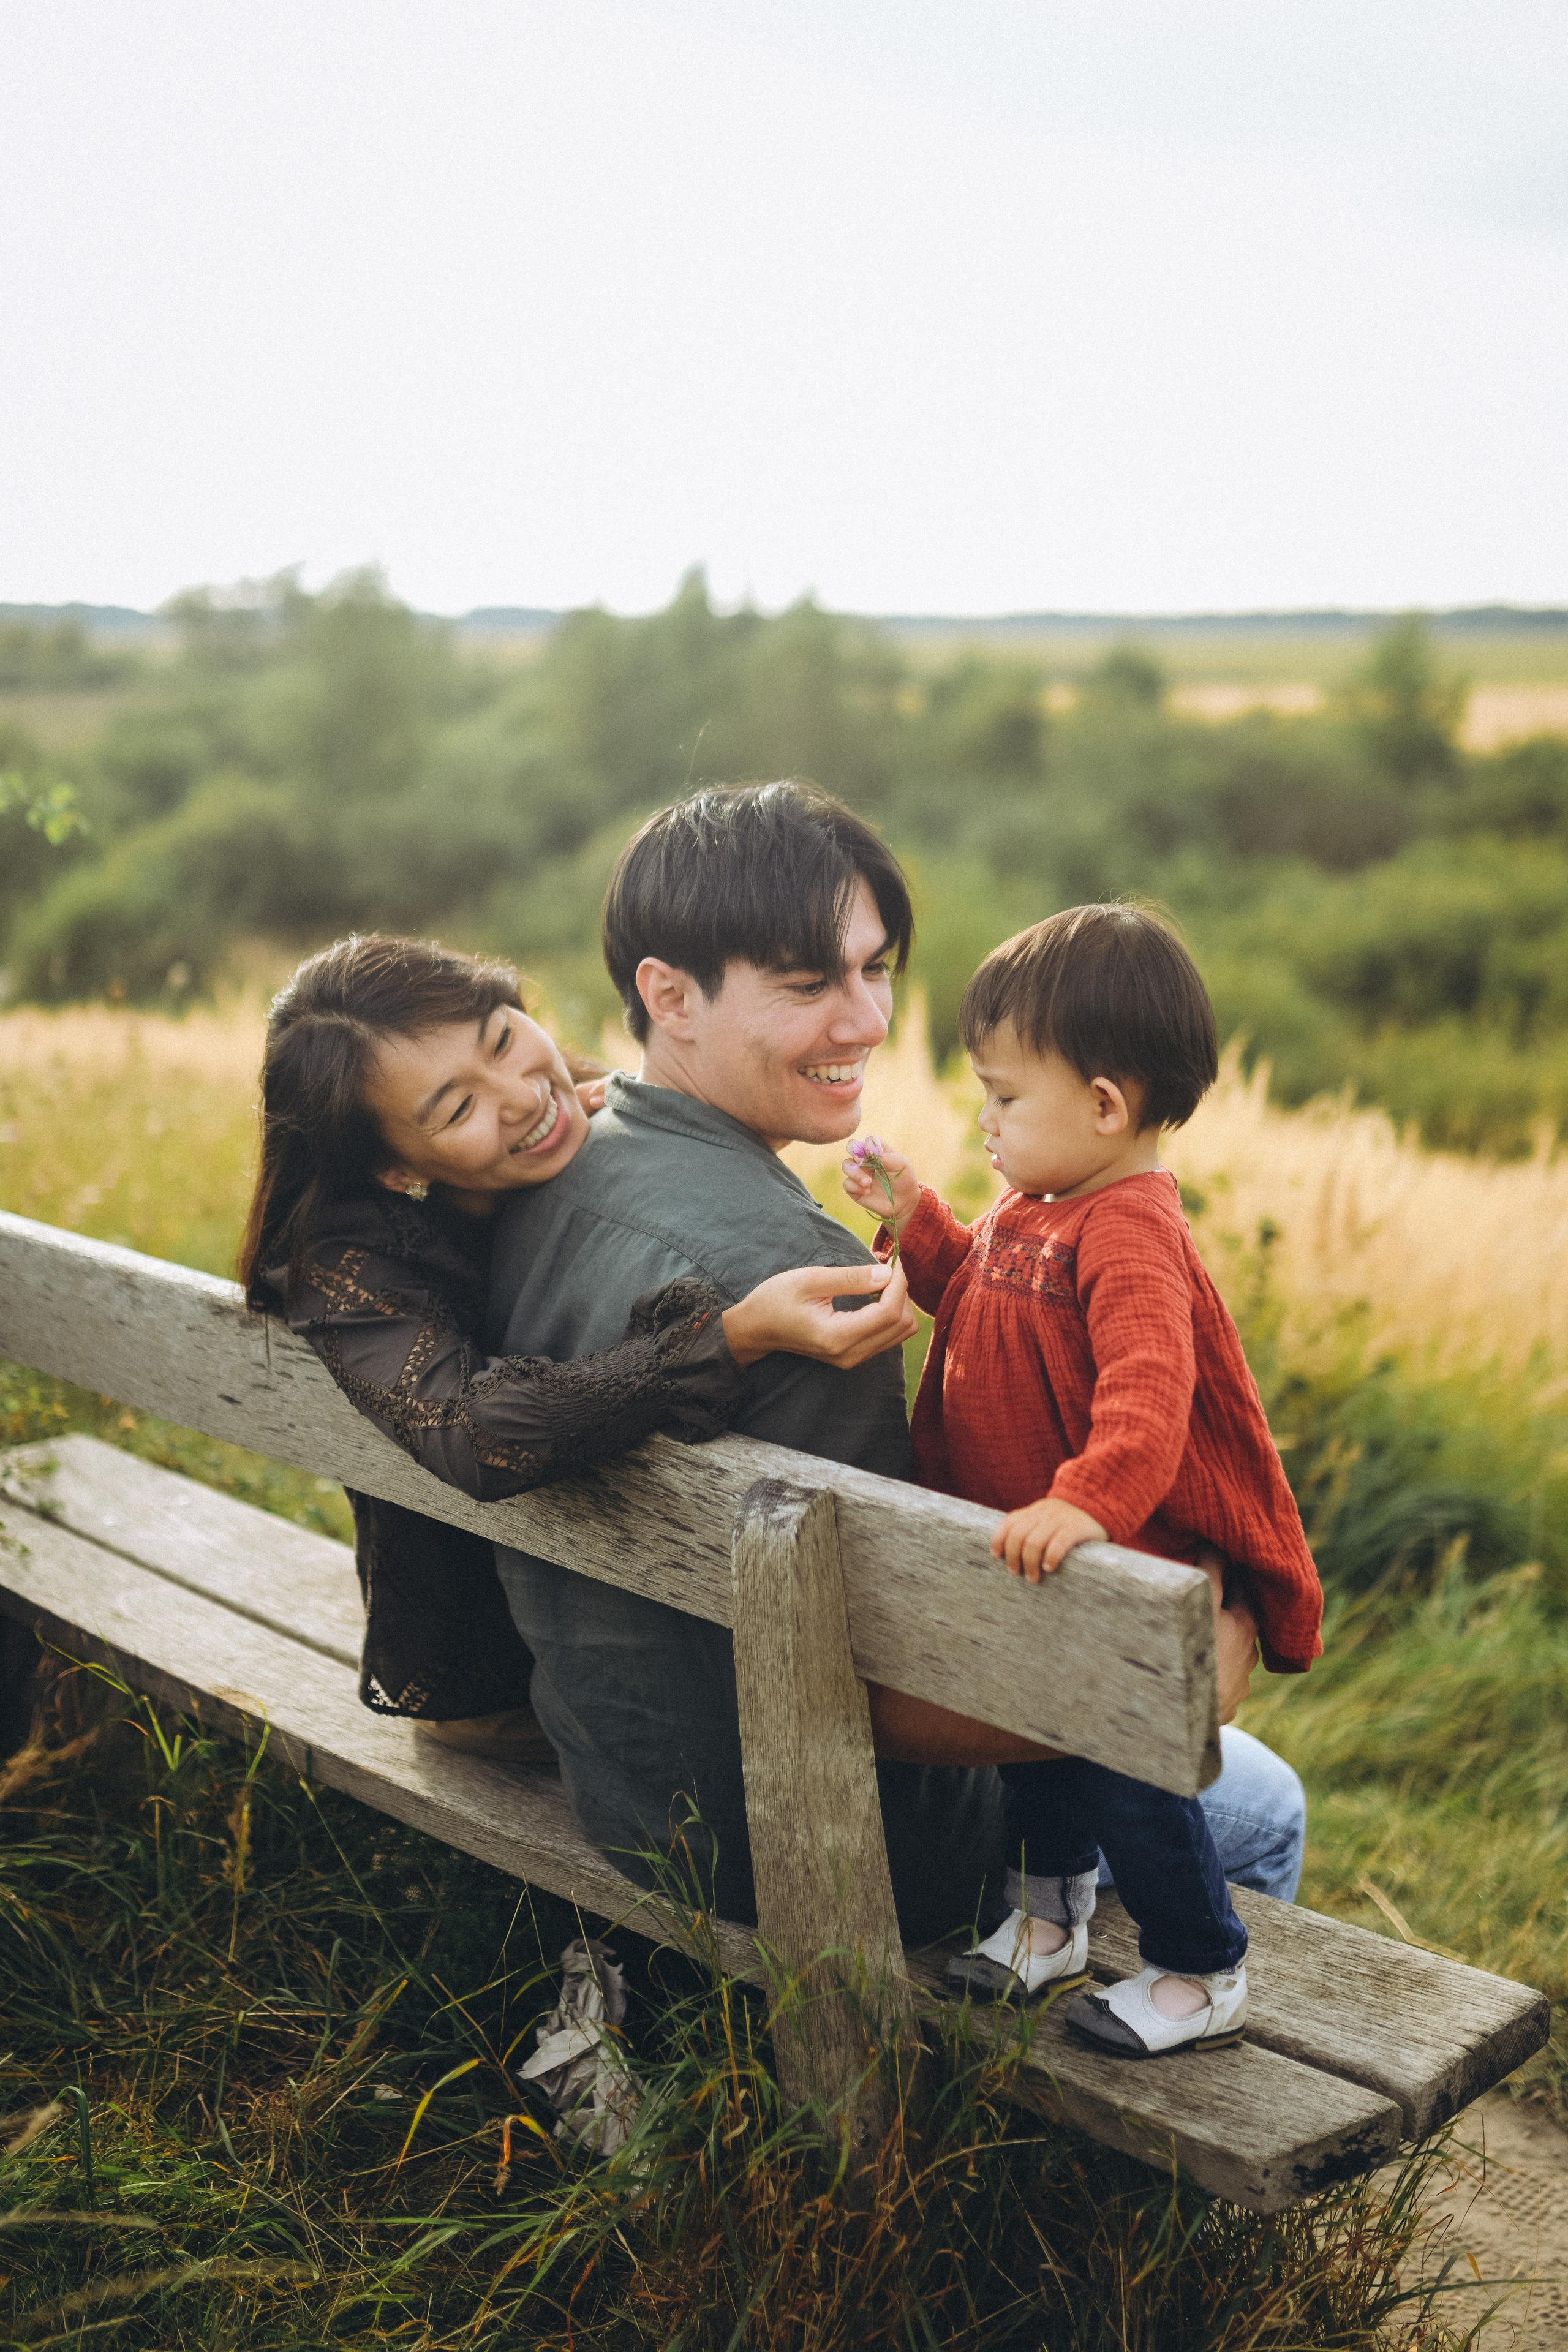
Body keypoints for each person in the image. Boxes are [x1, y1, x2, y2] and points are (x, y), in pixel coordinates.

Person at [485, 782, 1300, 1947]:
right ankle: (1137, 2100)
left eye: (874, 970)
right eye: (810, 982)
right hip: (821, 1838)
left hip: (623, 1780)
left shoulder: (542, 1166)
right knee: (1260, 1797)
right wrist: (1158, 1677)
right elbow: (886, 1674)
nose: (866, 1020)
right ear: (667, 995)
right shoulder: (803, 1284)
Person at [238, 933, 916, 1759]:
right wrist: (730, 1336)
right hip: (495, 1676)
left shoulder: (577, 1104)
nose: (521, 1096)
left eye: (502, 1038)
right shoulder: (349, 1266)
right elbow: (472, 1430)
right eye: (458, 1109)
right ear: (394, 1170)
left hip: (600, 1623)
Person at [842, 903, 1323, 2054]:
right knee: (1034, 1762)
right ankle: (1048, 1922)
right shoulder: (1036, 1209)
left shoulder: (1131, 1234)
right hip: (1043, 1564)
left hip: (1116, 1573)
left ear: (1106, 1106)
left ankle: (1201, 1970)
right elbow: (977, 1293)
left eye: (1006, 1097)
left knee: (1132, 1787)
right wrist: (918, 1222)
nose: (986, 1118)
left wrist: (1084, 1502)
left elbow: (1149, 1403)